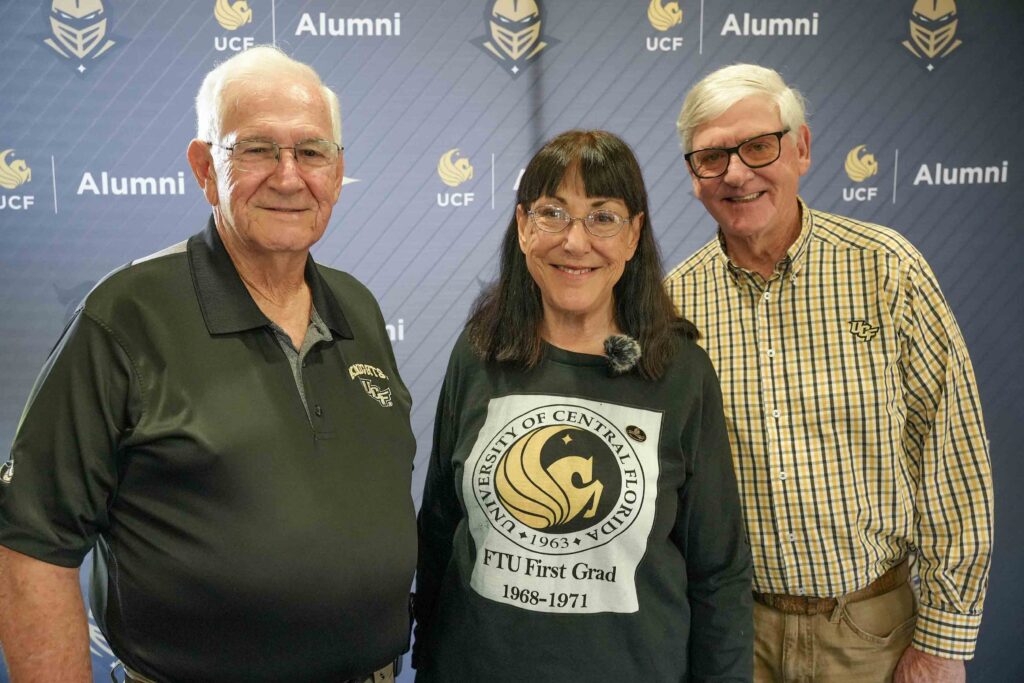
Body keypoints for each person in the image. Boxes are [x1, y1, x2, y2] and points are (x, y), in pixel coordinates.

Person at [0, 46, 416, 683]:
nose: (288, 177)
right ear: (204, 168)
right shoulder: (127, 315)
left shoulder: (356, 305)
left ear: (336, 173)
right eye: (256, 150)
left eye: (311, 152)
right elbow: (33, 543)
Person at [665, 63, 993, 683]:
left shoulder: (887, 271)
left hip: (874, 634)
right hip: (733, 637)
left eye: (758, 146)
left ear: (802, 148)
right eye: (712, 157)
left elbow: (951, 457)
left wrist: (943, 643)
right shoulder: (674, 304)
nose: (736, 173)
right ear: (693, 175)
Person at [414, 130, 753, 681]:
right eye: (553, 214)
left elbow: (719, 571)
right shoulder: (479, 354)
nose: (575, 242)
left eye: (603, 217)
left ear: (633, 235)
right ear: (523, 227)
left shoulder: (681, 373)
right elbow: (438, 527)